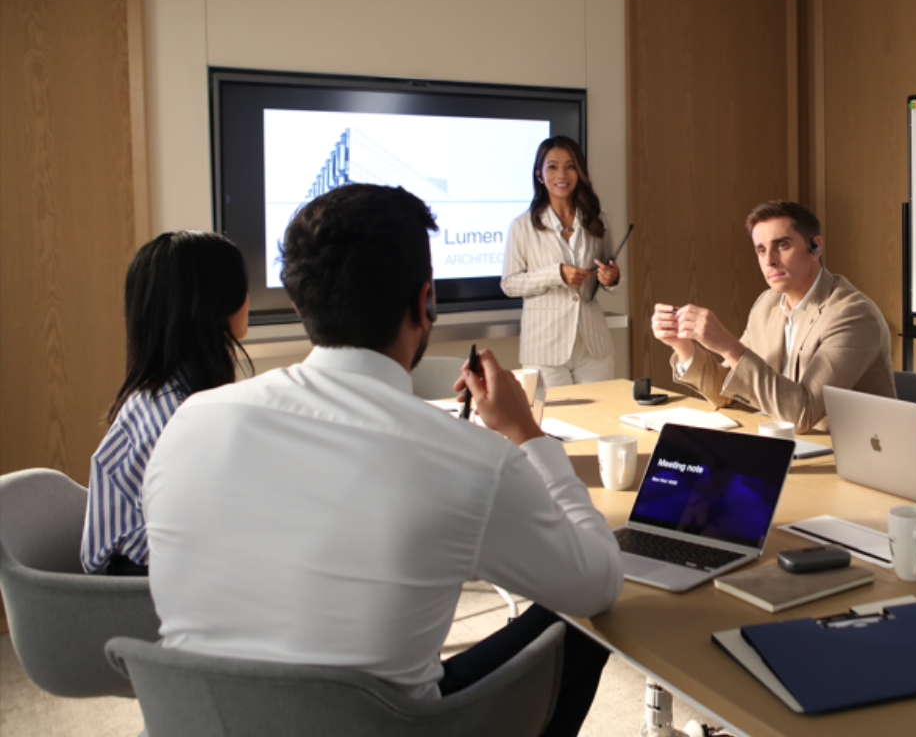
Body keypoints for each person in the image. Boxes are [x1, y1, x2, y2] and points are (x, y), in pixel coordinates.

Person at [143, 184, 622, 733]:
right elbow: (599, 582)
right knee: (579, 623)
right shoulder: (474, 462)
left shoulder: (189, 422)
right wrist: (528, 435)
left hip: (205, 721)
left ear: (300, 301)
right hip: (383, 726)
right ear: (425, 303)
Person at [80, 231, 251, 576]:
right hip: (133, 589)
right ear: (215, 303)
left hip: (150, 573)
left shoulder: (164, 393)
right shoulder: (181, 418)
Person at [651, 199, 895, 432]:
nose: (769, 261)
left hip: (849, 457)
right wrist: (683, 347)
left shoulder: (853, 315)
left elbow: (804, 414)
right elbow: (727, 392)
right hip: (791, 445)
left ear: (815, 247)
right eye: (761, 250)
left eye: (782, 246)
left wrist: (729, 346)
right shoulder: (767, 304)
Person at [502, 136, 620, 387]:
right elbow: (510, 284)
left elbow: (607, 274)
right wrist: (556, 274)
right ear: (539, 174)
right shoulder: (522, 226)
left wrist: (611, 278)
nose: (562, 174)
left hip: (593, 346)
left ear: (579, 172)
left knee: (600, 420)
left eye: (570, 166)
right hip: (544, 348)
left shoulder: (600, 222)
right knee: (554, 425)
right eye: (552, 167)